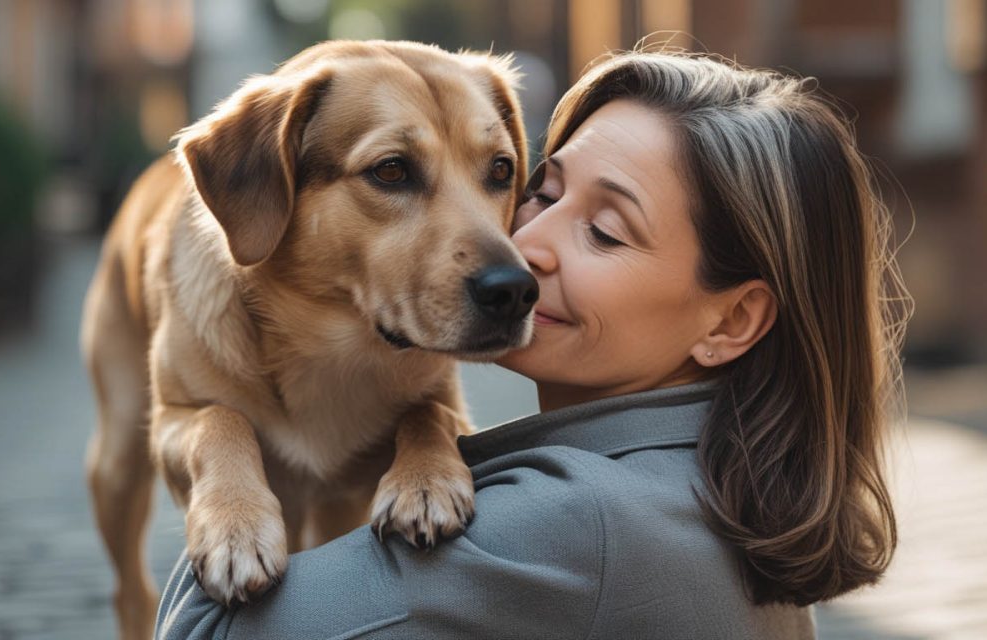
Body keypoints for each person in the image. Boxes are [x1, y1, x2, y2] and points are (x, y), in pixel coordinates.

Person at [154, 50, 909, 639]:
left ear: (731, 322)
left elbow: (207, 631)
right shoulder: (706, 488)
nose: (520, 248)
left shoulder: (578, 526)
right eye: (540, 191)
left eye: (606, 231)